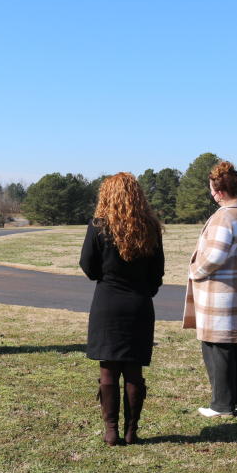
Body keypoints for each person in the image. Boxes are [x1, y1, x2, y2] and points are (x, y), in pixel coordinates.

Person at [80, 173, 164, 445]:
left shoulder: (98, 226)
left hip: (107, 302)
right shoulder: (150, 226)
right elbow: (157, 273)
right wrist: (143, 291)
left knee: (108, 370)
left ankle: (111, 430)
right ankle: (132, 430)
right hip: (139, 303)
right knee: (134, 370)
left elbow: (88, 266)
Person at [183, 161, 237, 417]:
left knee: (216, 348)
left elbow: (215, 256)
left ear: (219, 191)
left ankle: (221, 405)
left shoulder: (225, 216)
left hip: (220, 294)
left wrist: (194, 270)